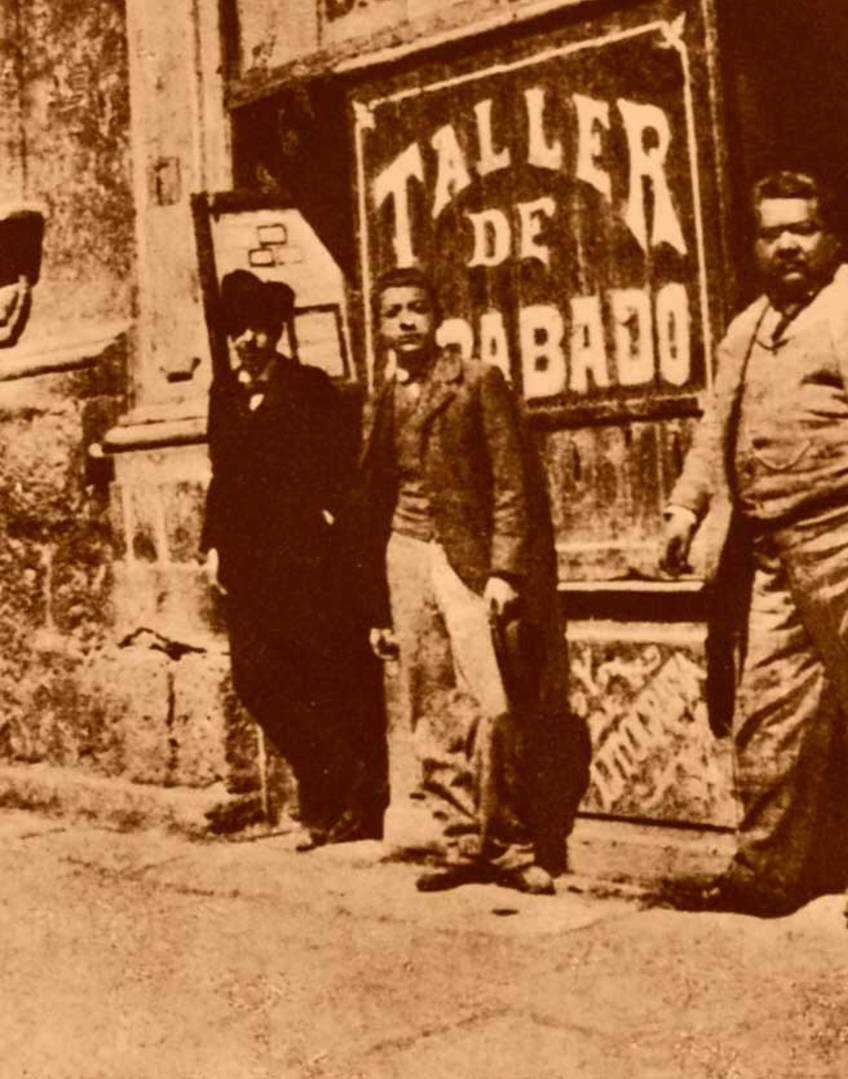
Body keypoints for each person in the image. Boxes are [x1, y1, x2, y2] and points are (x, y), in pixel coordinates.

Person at [660, 171, 848, 927]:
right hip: (771, 550)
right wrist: (685, 508)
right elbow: (715, 427)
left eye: (803, 229)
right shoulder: (746, 327)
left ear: (832, 236)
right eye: (771, 232)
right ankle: (764, 874)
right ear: (754, 245)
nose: (787, 244)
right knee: (769, 713)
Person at [358, 266, 575, 895]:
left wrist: (504, 570)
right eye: (393, 312)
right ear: (380, 325)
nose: (406, 321)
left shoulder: (477, 381)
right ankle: (459, 841)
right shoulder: (381, 398)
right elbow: (372, 499)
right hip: (407, 555)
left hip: (468, 561)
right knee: (431, 708)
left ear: (437, 316)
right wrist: (377, 602)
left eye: (417, 309)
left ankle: (511, 846)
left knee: (493, 704)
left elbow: (512, 483)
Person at [200, 269, 387, 849]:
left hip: (306, 559)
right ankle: (335, 775)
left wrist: (330, 527)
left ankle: (334, 809)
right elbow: (222, 476)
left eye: (259, 328)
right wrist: (212, 545)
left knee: (318, 677)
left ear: (277, 331)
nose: (249, 339)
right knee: (254, 679)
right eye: (239, 329)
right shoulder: (223, 394)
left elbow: (339, 471)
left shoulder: (309, 386)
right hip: (246, 562)